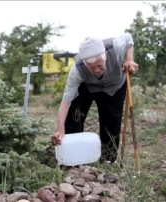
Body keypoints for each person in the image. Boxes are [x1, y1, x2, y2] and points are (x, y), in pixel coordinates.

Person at [51, 33, 138, 163]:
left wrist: (129, 59)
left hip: (114, 86)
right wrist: (59, 128)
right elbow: (66, 102)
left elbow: (129, 38)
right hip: (89, 86)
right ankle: (73, 156)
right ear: (85, 64)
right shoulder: (77, 70)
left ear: (105, 57)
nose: (97, 70)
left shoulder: (116, 47)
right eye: (92, 68)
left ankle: (108, 159)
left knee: (111, 121)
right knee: (74, 115)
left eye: (99, 65)